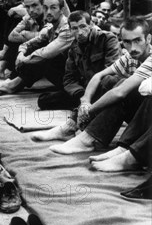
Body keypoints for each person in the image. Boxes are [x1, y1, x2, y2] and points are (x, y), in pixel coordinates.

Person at [49, 17, 152, 154]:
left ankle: (88, 138)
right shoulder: (131, 56)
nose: (132, 47)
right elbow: (98, 76)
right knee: (109, 80)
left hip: (148, 119)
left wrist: (88, 111)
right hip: (141, 116)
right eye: (127, 42)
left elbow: (120, 92)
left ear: (148, 39)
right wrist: (85, 102)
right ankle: (73, 127)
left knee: (122, 88)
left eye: (137, 40)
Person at [0, 0, 73, 94]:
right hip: (62, 72)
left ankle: (13, 85)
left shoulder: (67, 28)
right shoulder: (52, 27)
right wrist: (21, 53)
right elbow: (30, 43)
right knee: (36, 47)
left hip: (72, 78)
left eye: (53, 8)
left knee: (45, 56)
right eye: (46, 8)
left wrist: (24, 60)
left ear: (62, 10)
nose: (49, 12)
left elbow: (46, 53)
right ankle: (13, 82)